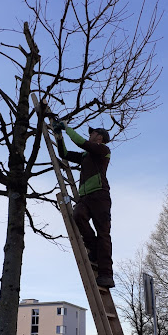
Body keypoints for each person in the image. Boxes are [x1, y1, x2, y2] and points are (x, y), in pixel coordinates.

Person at [55, 120, 115, 288]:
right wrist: (59, 136)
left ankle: (106, 275)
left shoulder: (103, 150)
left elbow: (81, 142)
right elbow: (64, 154)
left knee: (103, 233)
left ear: (99, 137)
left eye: (92, 133)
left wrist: (67, 128)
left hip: (100, 195)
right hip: (85, 197)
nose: (90, 135)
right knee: (78, 215)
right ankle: (93, 249)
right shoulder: (85, 155)